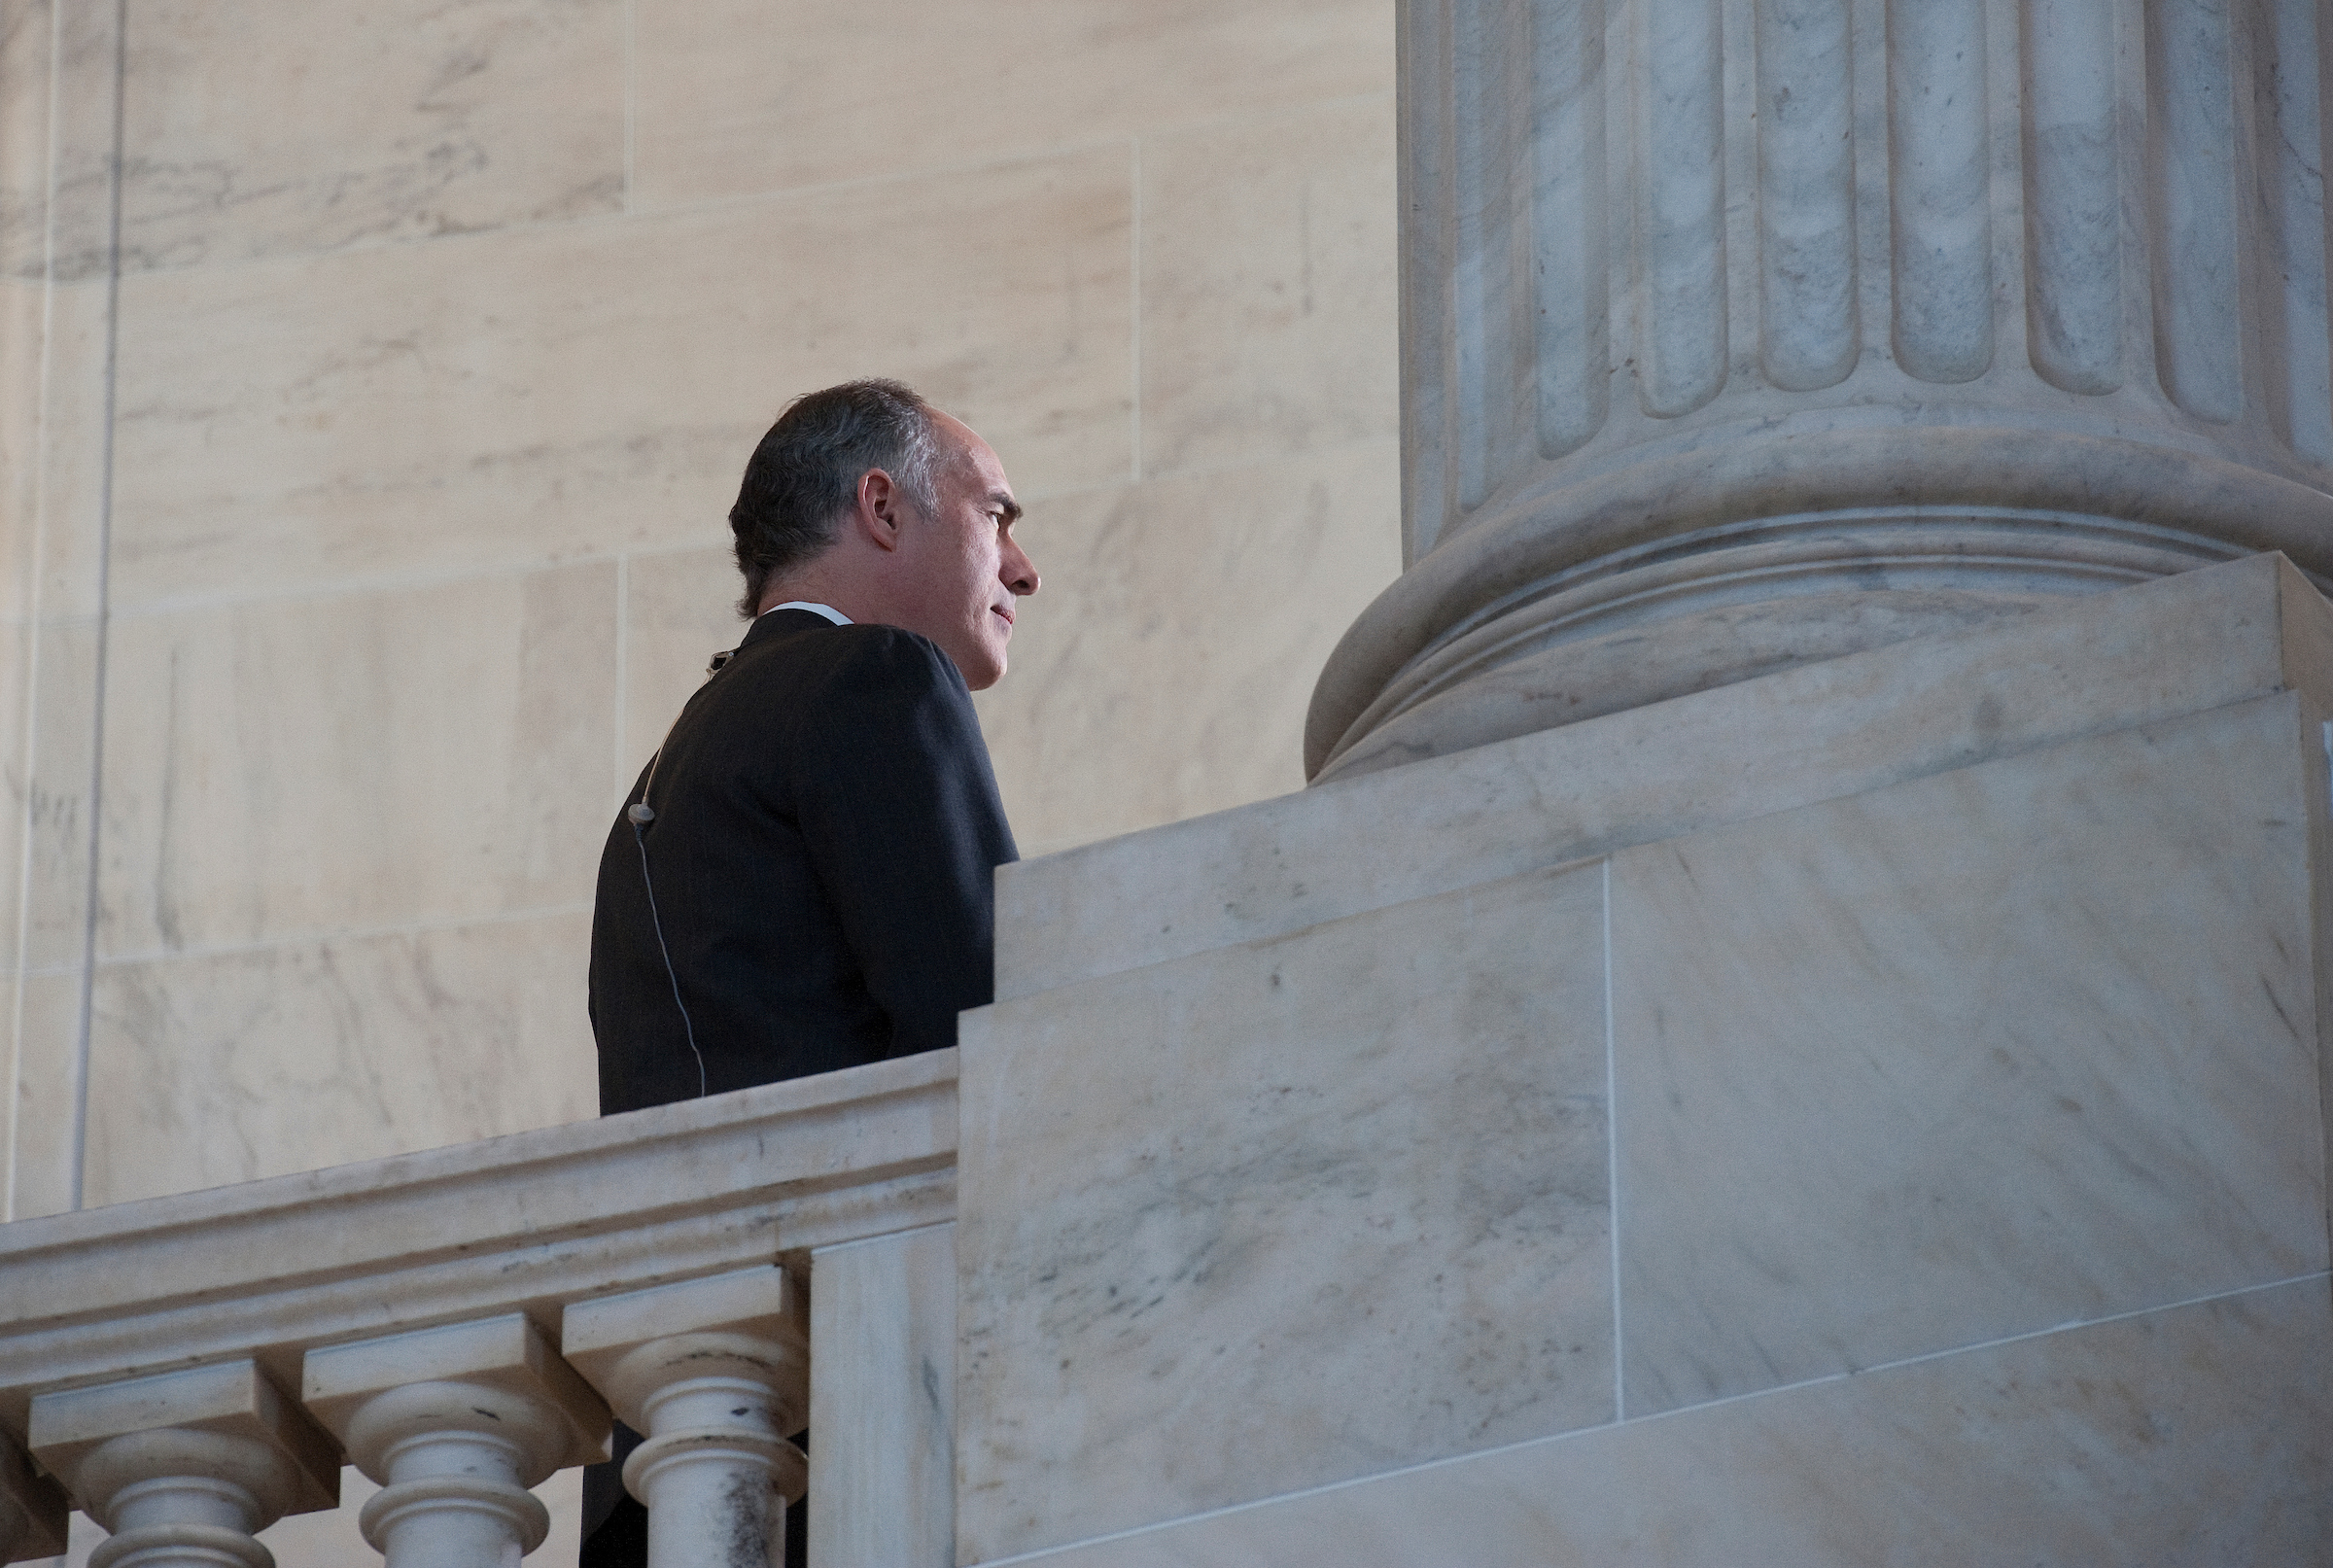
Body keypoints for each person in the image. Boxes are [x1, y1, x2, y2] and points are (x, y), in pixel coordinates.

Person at [580, 378, 1038, 1568]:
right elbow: (992, 1033)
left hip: (672, 1455)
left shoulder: (661, 777)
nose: (1024, 569)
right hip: (864, 1427)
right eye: (999, 515)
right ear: (883, 507)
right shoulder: (878, 679)